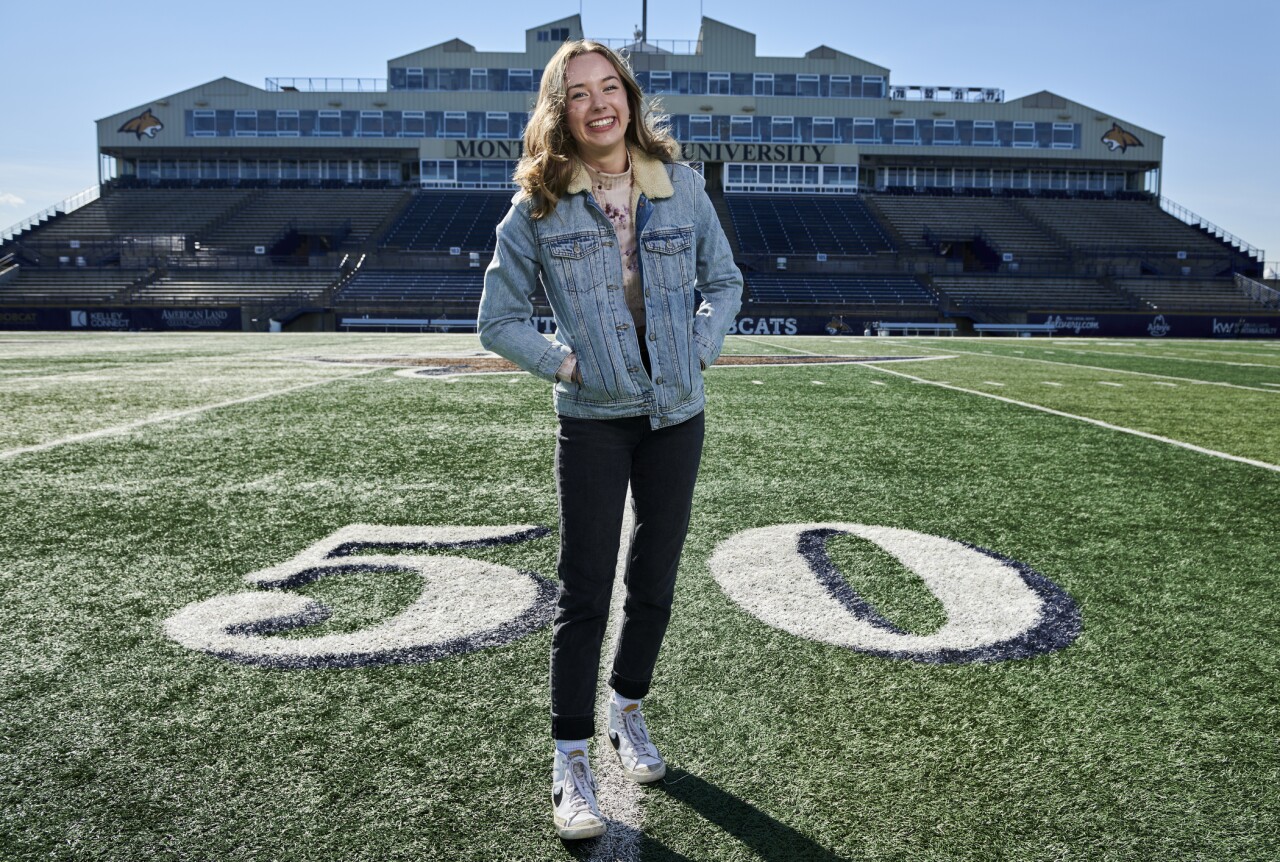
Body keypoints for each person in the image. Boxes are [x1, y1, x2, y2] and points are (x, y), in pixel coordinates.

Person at [477, 39, 742, 841]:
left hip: (676, 412)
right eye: (579, 94)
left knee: (655, 576)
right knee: (585, 589)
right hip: (594, 418)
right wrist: (565, 364)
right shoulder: (539, 205)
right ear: (561, 112)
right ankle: (571, 760)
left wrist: (698, 347)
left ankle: (627, 709)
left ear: (627, 95)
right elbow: (497, 320)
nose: (599, 105)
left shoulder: (681, 185)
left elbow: (724, 281)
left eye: (609, 88)